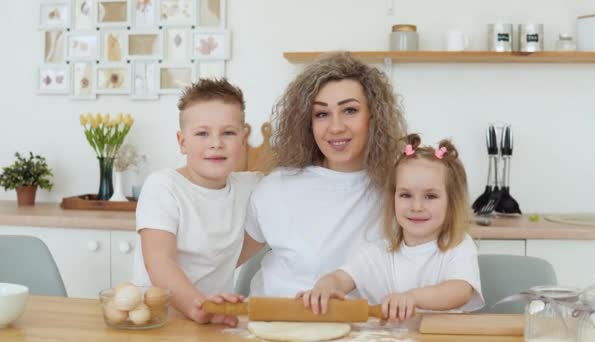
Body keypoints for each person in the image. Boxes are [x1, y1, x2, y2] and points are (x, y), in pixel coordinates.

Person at [237, 52, 407, 297]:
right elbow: (222, 263)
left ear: (373, 117)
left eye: (349, 110)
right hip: (275, 324)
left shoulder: (399, 190)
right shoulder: (277, 187)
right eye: (321, 114)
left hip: (363, 329)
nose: (336, 127)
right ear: (308, 123)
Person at [298, 134, 485, 323]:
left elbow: (460, 290)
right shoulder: (378, 252)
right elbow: (340, 278)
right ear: (393, 198)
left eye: (430, 196)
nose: (417, 206)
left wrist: (411, 298)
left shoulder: (458, 246)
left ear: (451, 202)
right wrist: (324, 287)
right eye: (405, 195)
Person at [132, 78, 261, 327]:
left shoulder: (250, 187)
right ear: (182, 142)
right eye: (202, 133)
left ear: (243, 140)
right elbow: (159, 261)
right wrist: (199, 306)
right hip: (157, 322)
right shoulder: (164, 186)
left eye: (228, 133)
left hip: (212, 322)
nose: (216, 143)